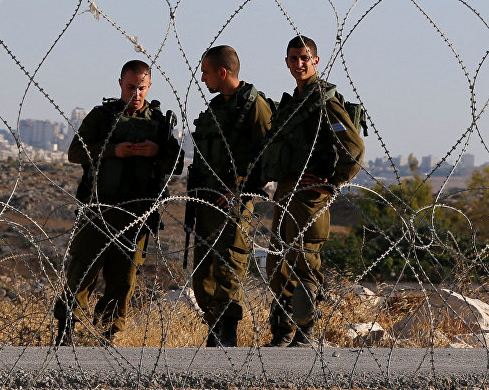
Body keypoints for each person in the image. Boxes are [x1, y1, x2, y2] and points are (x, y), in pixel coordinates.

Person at [54, 59, 183, 345]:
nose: (135, 94)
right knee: (82, 271)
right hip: (99, 208)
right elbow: (76, 152)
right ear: (120, 85)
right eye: (130, 87)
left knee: (123, 280)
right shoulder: (103, 116)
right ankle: (67, 329)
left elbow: (176, 164)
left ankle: (107, 334)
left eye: (141, 88)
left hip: (136, 213)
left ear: (149, 87)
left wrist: (156, 150)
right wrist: (113, 151)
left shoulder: (159, 124)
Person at [260, 35, 364, 347]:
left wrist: (331, 181)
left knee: (304, 261)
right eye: (294, 58)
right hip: (287, 192)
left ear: (315, 61)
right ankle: (282, 332)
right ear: (287, 62)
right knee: (278, 263)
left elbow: (354, 147)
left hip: (309, 195)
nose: (300, 64)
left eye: (305, 58)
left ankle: (304, 332)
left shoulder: (323, 100)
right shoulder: (295, 101)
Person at [188, 45, 273, 347]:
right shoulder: (216, 108)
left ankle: (227, 331)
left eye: (206, 72)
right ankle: (214, 325)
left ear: (222, 72)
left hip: (233, 203)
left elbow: (268, 156)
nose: (202, 78)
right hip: (206, 201)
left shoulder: (254, 106)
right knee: (202, 275)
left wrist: (239, 190)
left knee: (229, 269)